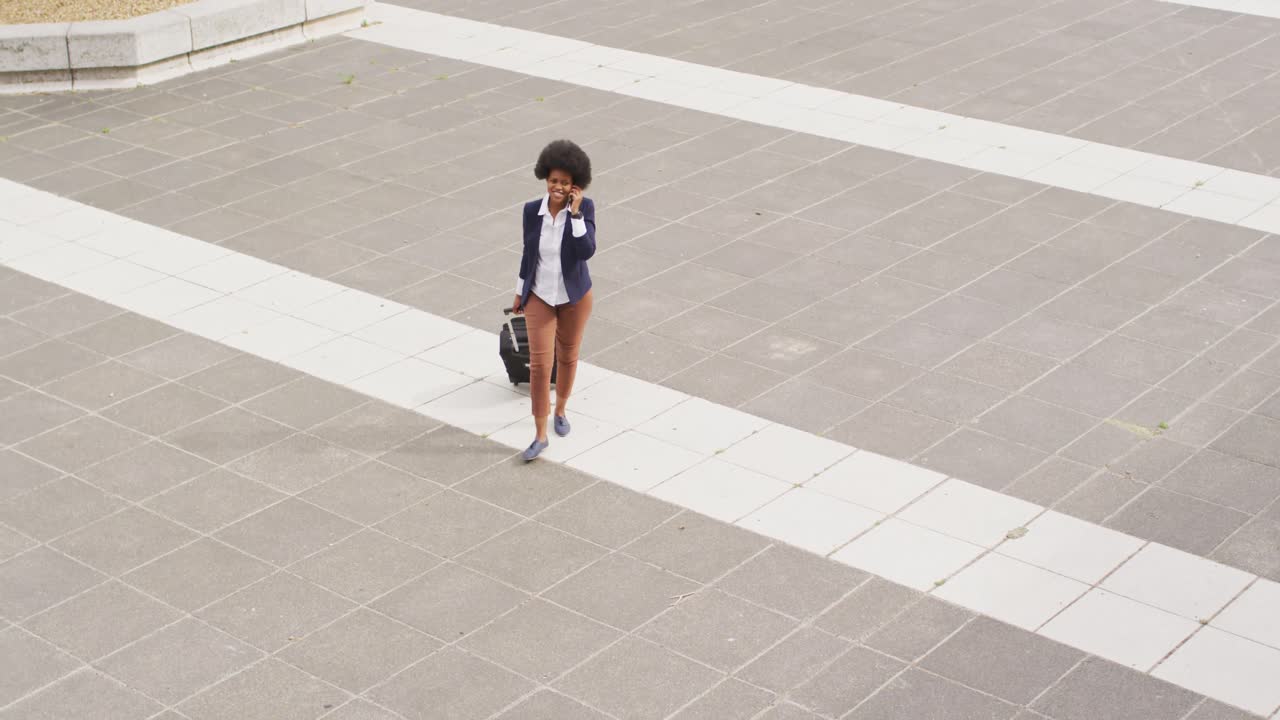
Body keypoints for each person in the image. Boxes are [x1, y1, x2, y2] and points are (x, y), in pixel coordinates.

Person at [512, 139, 596, 462]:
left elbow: (586, 250)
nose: (557, 187)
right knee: (539, 365)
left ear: (575, 184)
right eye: (553, 181)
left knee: (568, 355)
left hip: (574, 296)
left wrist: (574, 215)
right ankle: (540, 433)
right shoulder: (531, 211)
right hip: (540, 296)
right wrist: (521, 292)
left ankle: (560, 410)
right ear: (545, 179)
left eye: (564, 182)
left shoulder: (585, 210)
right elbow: (527, 253)